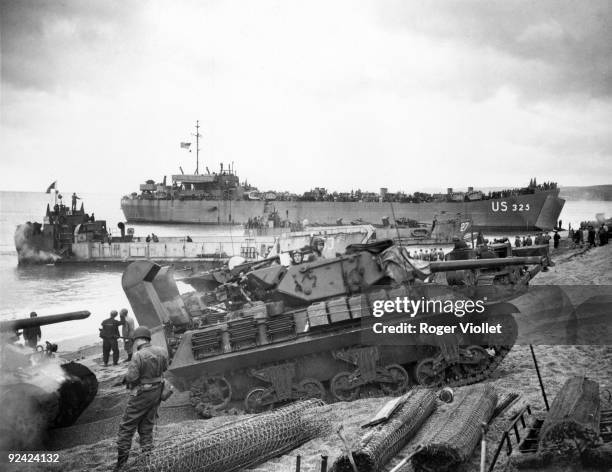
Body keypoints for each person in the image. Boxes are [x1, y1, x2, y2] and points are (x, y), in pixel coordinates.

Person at [115, 326, 168, 470]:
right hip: (157, 392)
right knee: (147, 426)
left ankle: (121, 464)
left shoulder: (138, 355)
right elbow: (165, 369)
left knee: (126, 427)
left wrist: (126, 380)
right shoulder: (162, 351)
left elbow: (132, 377)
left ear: (138, 340)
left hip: (142, 395)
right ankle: (147, 458)